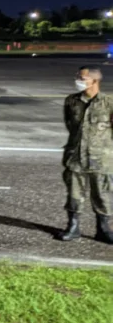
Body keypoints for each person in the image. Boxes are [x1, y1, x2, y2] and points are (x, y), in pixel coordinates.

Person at [57, 65, 113, 244]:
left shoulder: (109, 102)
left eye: (82, 78)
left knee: (102, 194)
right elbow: (70, 124)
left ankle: (103, 229)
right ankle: (73, 227)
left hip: (102, 158)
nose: (78, 81)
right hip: (75, 157)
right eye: (78, 77)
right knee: (73, 193)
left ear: (95, 81)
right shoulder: (71, 101)